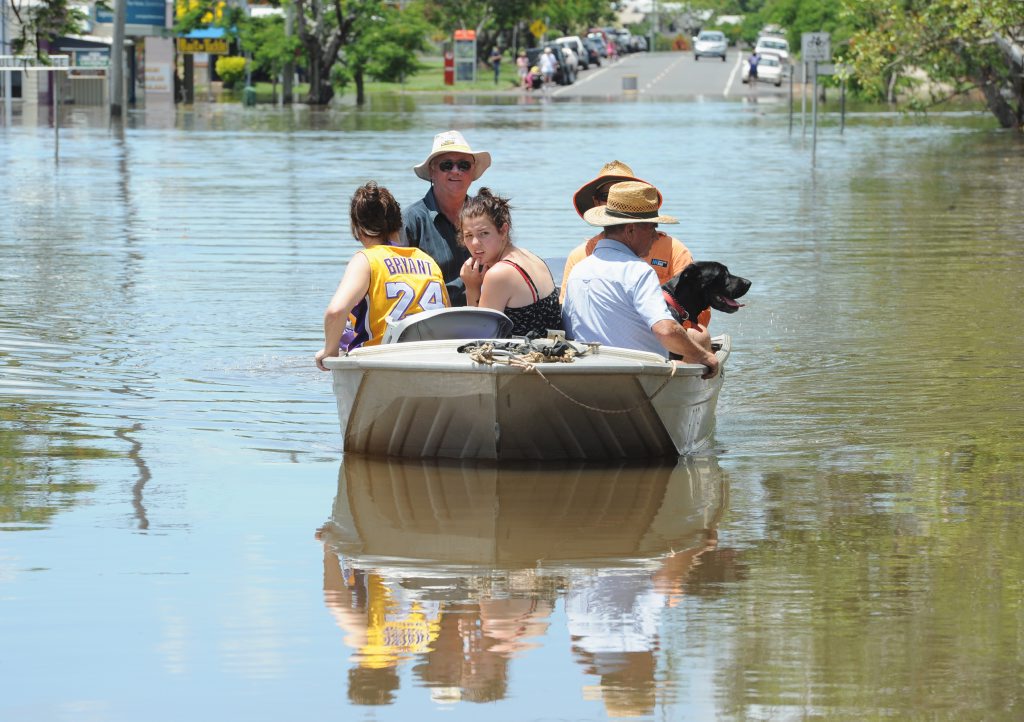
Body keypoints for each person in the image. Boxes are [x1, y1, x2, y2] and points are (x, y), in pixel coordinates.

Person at [561, 181, 719, 378]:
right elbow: (666, 330)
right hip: (638, 376)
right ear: (630, 230)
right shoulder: (638, 271)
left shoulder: (579, 270)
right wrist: (704, 356)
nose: (655, 236)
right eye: (652, 227)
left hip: (586, 373)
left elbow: (567, 329)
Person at [559, 160, 711, 331]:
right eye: (606, 197)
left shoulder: (674, 250)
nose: (614, 202)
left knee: (700, 335)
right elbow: (567, 312)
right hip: (606, 342)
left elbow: (700, 312)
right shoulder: (580, 255)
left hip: (665, 335)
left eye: (625, 195)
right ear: (596, 202)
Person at [315, 182, 450, 370]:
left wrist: (329, 352)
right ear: (399, 222)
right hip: (431, 361)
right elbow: (447, 317)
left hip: (380, 363)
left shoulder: (366, 260)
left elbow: (335, 312)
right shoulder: (428, 261)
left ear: (357, 227)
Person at [403, 130, 492, 307]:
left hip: (485, 311)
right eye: (447, 165)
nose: (456, 171)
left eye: (464, 165)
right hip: (430, 320)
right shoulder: (411, 221)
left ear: (472, 171)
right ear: (432, 171)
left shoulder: (488, 215)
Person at [459, 188, 562, 338]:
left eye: (484, 234)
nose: (475, 243)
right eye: (468, 235)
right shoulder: (531, 257)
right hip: (552, 355)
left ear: (503, 230)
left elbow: (480, 339)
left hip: (524, 359)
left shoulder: (499, 274)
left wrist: (471, 288)